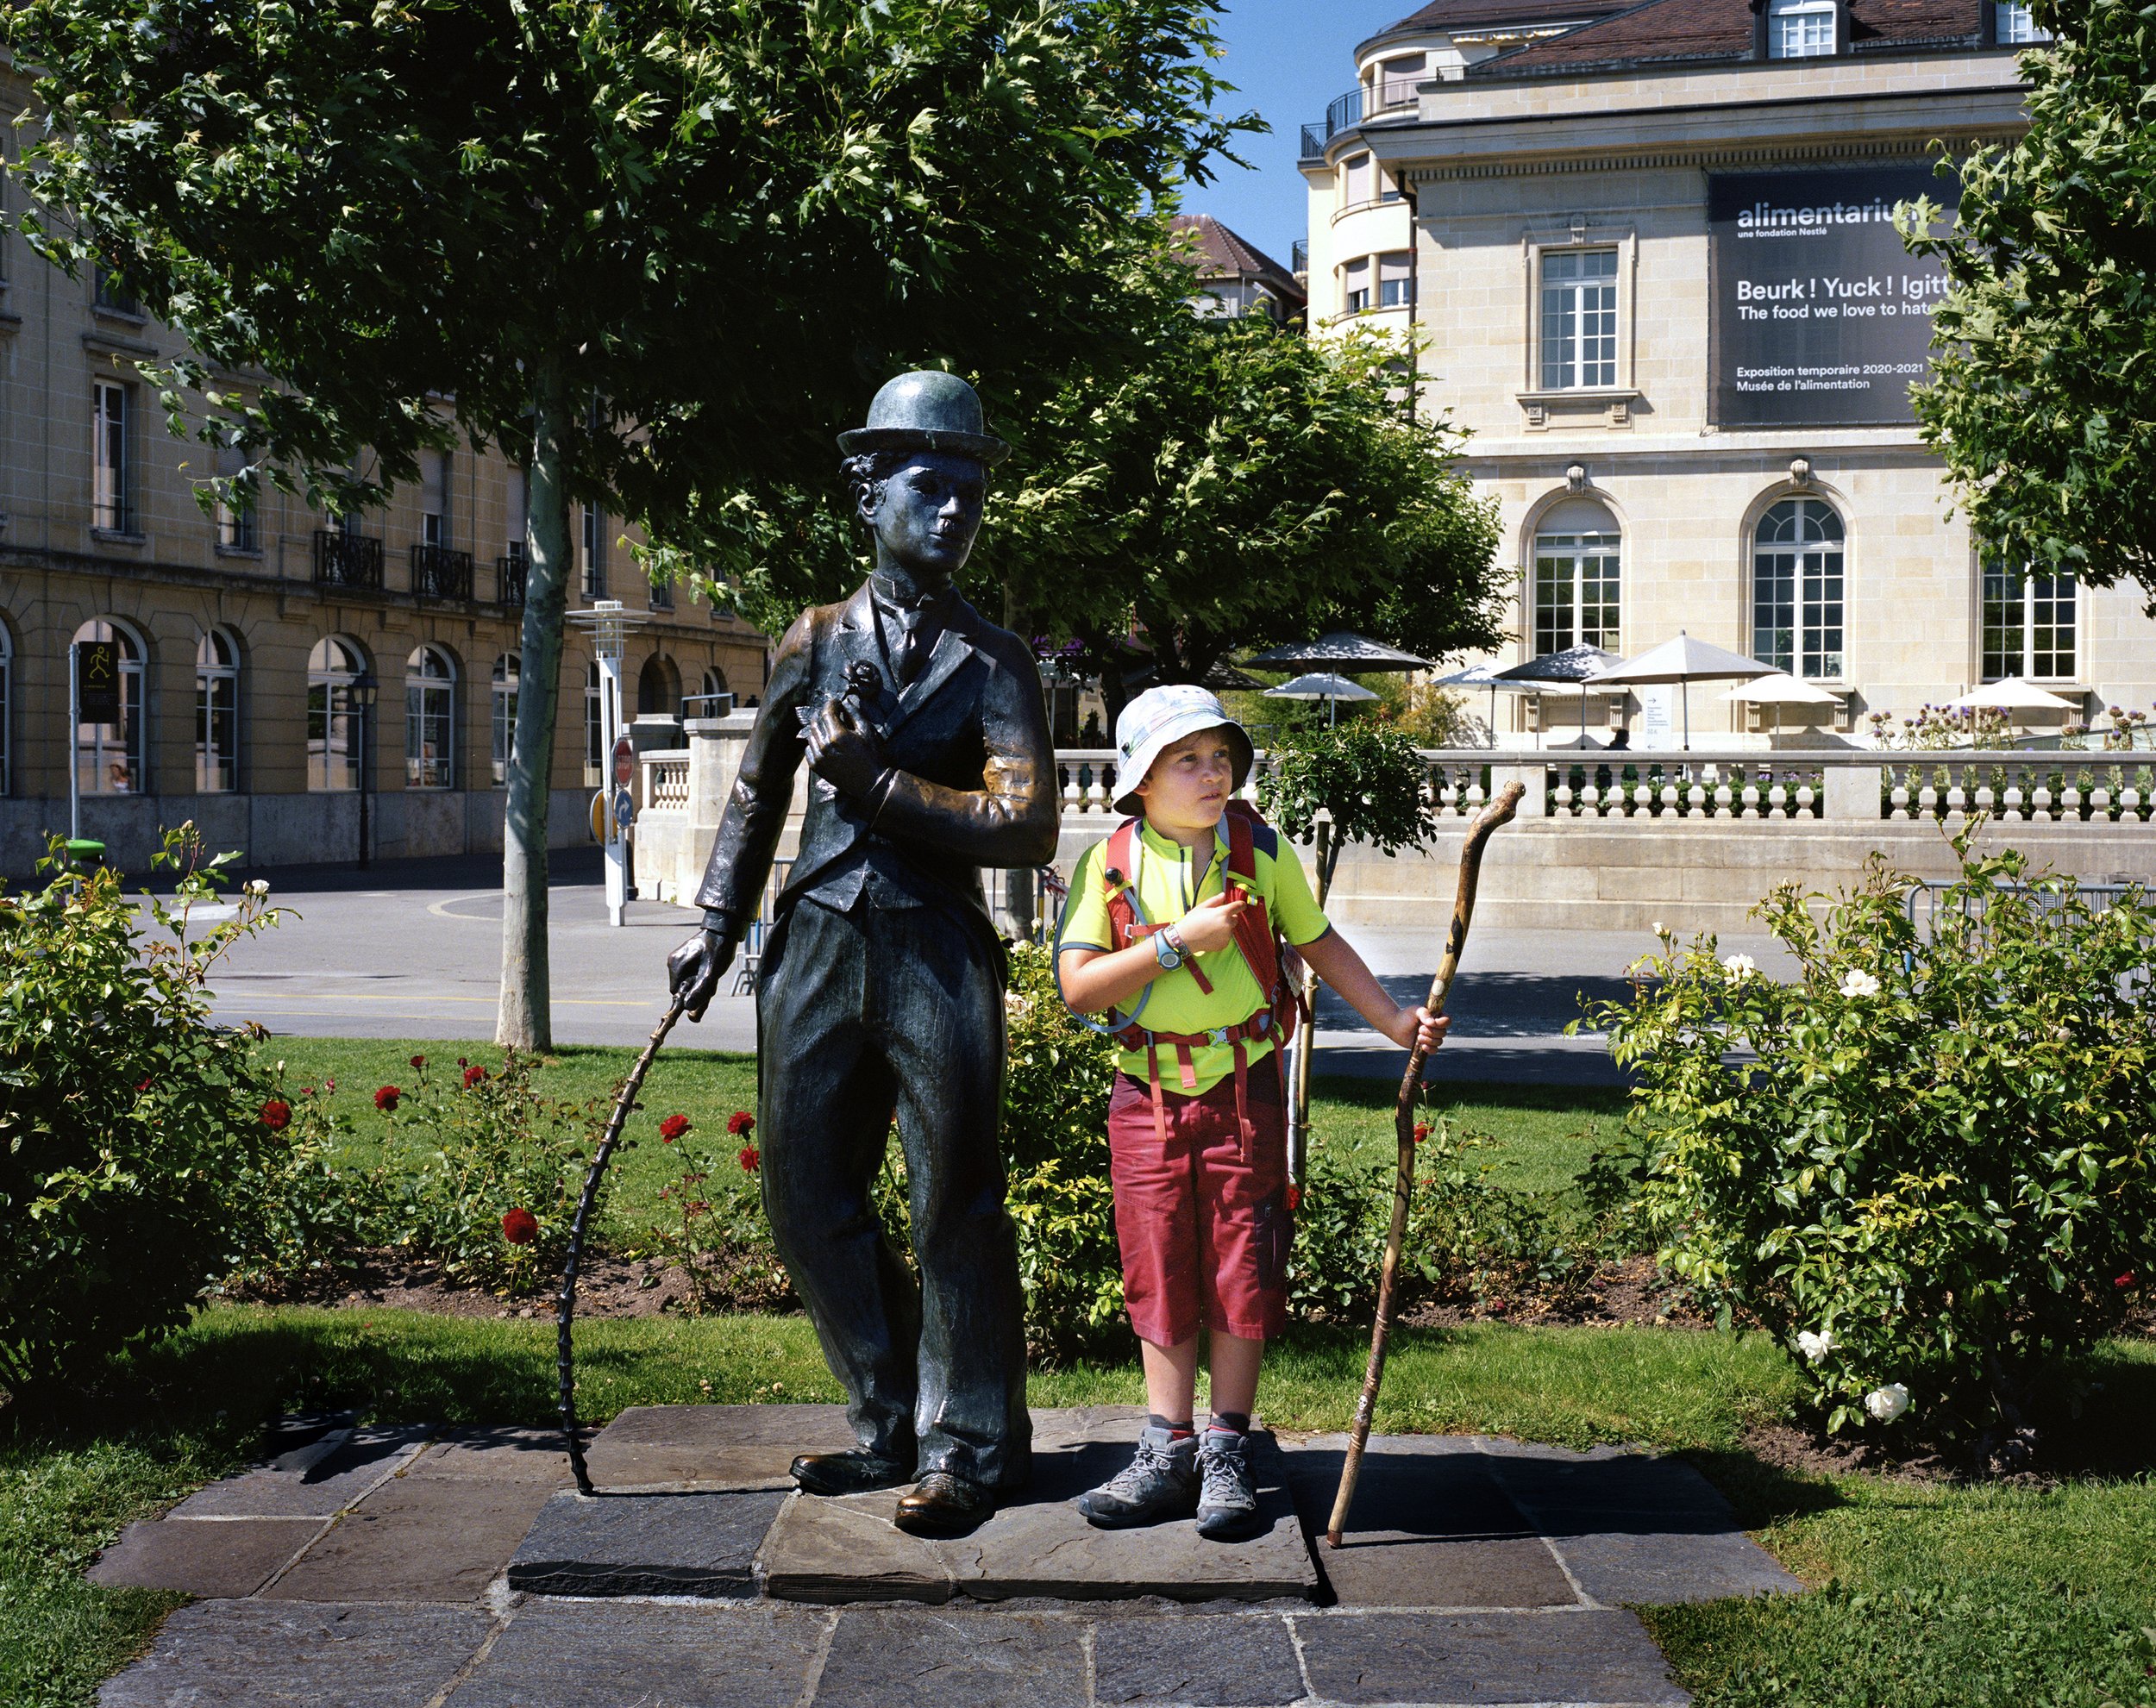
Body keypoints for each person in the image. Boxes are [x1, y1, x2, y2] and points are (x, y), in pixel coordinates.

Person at [666, 372, 1059, 1538]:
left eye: (969, 494)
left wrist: (880, 785)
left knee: (956, 1205)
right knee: (804, 1193)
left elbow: (1025, 824)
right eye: (929, 488)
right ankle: (886, 1413)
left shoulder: (995, 663)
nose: (953, 512)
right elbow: (753, 790)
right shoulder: (813, 640)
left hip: (936, 948)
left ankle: (972, 1446)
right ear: (869, 493)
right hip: (820, 940)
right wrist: (715, 921)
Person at [1053, 685, 1448, 1540]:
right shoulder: (1109, 863)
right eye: (1187, 759)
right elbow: (1078, 986)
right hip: (1147, 1099)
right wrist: (1175, 943)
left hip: (1243, 1093)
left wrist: (1393, 1022)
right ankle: (1167, 1450)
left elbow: (1317, 940)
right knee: (1157, 1266)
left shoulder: (1261, 853)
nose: (1211, 772)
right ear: (1140, 781)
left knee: (1243, 1266)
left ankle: (1226, 1448)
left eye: (1220, 756)